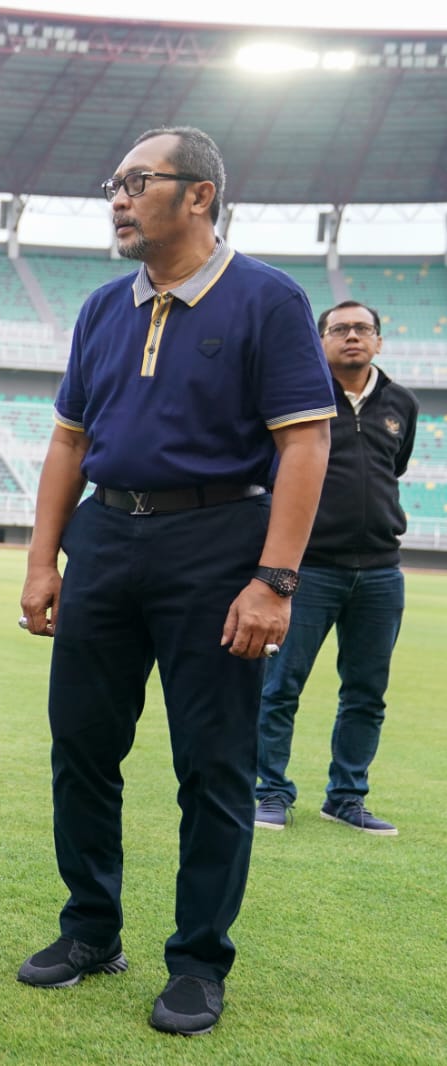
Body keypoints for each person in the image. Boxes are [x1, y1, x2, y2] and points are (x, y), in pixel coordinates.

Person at [16, 127, 334, 1035]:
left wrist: (273, 578)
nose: (116, 198)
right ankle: (89, 930)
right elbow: (69, 441)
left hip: (218, 541)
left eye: (135, 181)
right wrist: (44, 557)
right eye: (113, 182)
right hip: (105, 539)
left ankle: (197, 961)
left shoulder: (268, 298)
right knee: (80, 746)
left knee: (213, 764)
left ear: (196, 196)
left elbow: (303, 441)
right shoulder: (99, 308)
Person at [254, 300, 416, 836]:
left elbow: (396, 466)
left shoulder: (401, 404)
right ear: (321, 340)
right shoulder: (302, 396)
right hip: (310, 568)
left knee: (366, 693)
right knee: (280, 687)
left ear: (378, 340)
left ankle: (346, 797)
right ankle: (270, 792)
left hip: (381, 572)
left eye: (363, 328)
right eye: (340, 329)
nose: (352, 336)